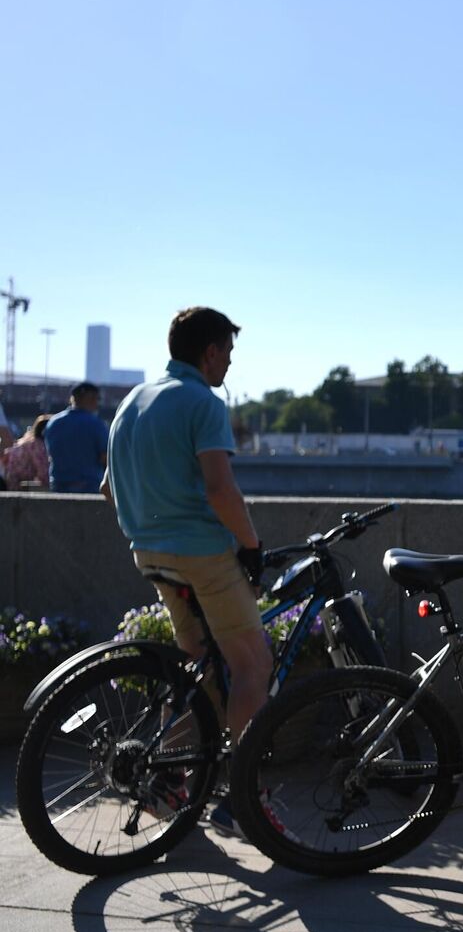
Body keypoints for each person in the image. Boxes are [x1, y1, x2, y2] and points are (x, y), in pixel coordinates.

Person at [104, 308, 270, 833]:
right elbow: (221, 490)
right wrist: (250, 545)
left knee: (193, 668)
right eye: (228, 352)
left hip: (149, 551)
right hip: (203, 554)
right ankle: (246, 801)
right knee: (252, 666)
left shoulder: (134, 401)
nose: (229, 363)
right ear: (211, 351)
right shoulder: (204, 401)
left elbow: (108, 488)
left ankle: (165, 783)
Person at [45, 381, 111, 494]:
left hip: (58, 486)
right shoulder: (96, 424)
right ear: (91, 399)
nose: (98, 404)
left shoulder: (53, 423)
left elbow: (50, 454)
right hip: (90, 486)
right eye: (97, 399)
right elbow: (105, 458)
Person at [3, 414, 53, 489]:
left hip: (9, 479)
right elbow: (43, 472)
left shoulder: (27, 441)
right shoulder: (37, 445)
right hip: (18, 483)